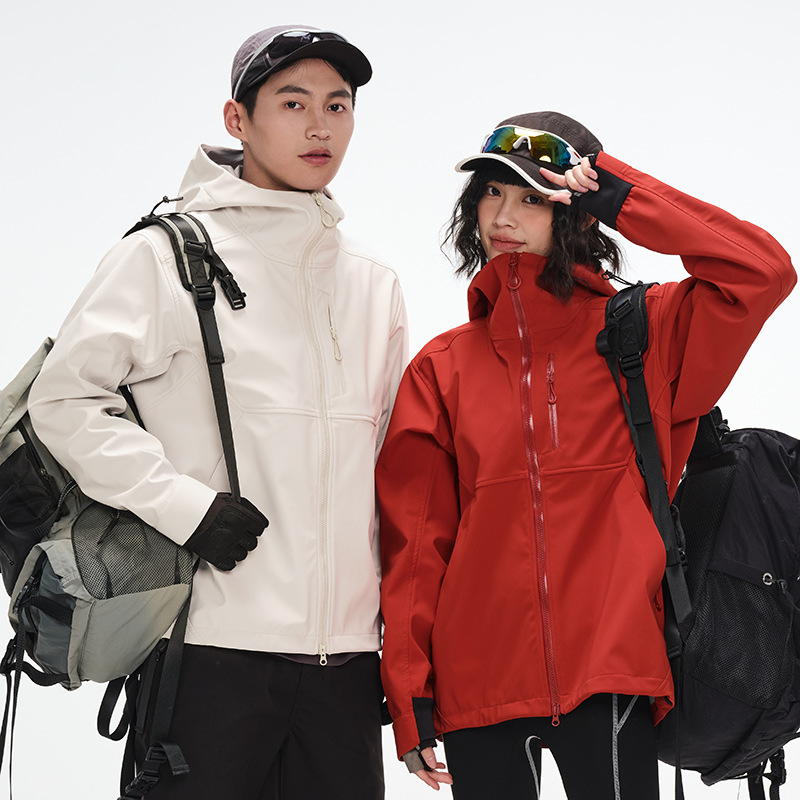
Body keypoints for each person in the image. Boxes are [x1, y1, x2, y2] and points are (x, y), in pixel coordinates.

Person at [28, 24, 407, 800]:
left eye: (337, 106)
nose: (319, 126)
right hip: (209, 650)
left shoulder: (373, 283)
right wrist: (186, 507)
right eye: (293, 103)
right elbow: (64, 399)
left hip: (345, 664)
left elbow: (396, 470)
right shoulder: (164, 254)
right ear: (238, 119)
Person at [376, 110, 795, 799]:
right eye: (491, 192)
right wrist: (409, 695)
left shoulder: (646, 335)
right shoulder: (441, 369)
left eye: (532, 197)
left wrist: (616, 190)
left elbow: (762, 271)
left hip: (613, 669)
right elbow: (417, 548)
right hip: (475, 683)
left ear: (575, 212)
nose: (503, 215)